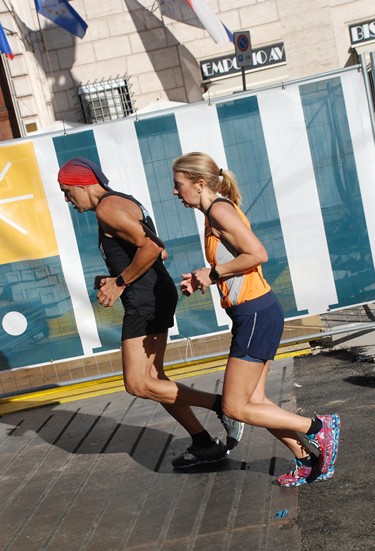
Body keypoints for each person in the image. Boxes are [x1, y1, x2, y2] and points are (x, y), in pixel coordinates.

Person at [57, 157, 244, 469]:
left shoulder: (107, 208)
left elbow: (152, 248)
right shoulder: (121, 202)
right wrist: (116, 275)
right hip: (151, 295)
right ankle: (202, 443)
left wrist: (119, 282)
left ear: (83, 185)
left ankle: (223, 407)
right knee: (154, 379)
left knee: (138, 384)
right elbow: (157, 247)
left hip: (145, 301)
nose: (67, 199)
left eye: (67, 191)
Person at [172, 152, 340, 486]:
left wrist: (213, 272)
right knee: (255, 402)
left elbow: (258, 254)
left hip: (256, 314)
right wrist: (204, 277)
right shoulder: (213, 211)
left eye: (179, 186)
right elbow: (237, 259)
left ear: (200, 183)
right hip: (254, 313)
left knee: (235, 407)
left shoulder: (218, 210)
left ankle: (320, 428)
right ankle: (307, 459)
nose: (175, 193)